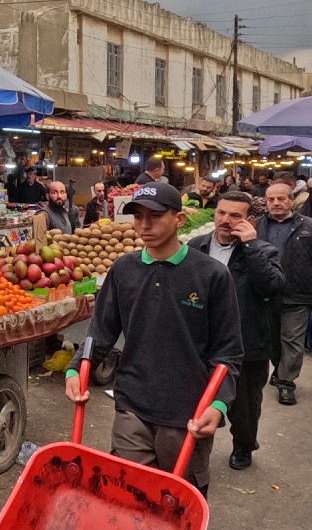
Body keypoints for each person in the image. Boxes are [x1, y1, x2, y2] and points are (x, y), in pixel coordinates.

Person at [66, 182, 243, 500]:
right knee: (128, 493)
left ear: (179, 219)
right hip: (133, 404)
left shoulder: (212, 275)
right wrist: (75, 368)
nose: (144, 226)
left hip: (188, 411)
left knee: (178, 500)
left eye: (155, 216)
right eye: (138, 217)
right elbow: (100, 332)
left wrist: (218, 405)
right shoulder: (124, 270)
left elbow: (228, 352)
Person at [187, 191, 284, 470]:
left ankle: (243, 444)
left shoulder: (263, 251)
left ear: (249, 220)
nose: (225, 220)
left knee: (245, 404)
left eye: (235, 215)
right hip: (203, 341)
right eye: (221, 213)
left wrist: (251, 246)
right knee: (200, 397)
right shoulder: (197, 246)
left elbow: (272, 287)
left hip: (246, 342)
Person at [257, 182, 312, 406]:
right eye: (271, 199)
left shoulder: (309, 226)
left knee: (292, 340)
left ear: (291, 200)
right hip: (265, 293)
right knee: (272, 340)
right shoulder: (258, 225)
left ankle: (286, 383)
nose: (276, 203)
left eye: (281, 199)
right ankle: (281, 369)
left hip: (298, 292)